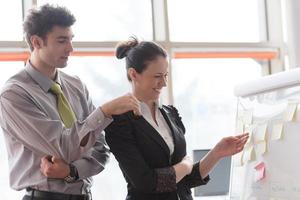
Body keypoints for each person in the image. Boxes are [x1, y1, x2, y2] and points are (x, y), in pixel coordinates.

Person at [0, 5, 140, 200]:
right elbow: (63, 147)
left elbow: (100, 149)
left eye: (71, 39)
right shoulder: (14, 95)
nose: (71, 48)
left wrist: (71, 171)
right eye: (61, 40)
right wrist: (105, 111)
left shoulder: (76, 86)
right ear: (37, 42)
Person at [103, 37, 249, 200]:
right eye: (157, 76)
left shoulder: (170, 114)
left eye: (165, 75)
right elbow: (147, 182)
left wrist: (217, 153)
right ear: (134, 74)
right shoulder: (120, 122)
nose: (164, 83)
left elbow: (184, 181)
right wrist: (185, 165)